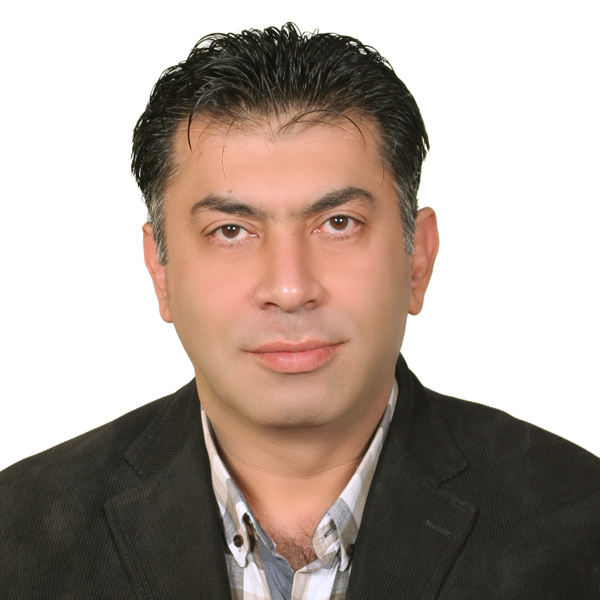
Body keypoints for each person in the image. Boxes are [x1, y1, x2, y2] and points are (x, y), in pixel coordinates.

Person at [1, 23, 598, 600]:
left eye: (338, 223)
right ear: (162, 271)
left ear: (417, 258)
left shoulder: (578, 522)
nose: (289, 289)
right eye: (231, 230)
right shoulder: (18, 532)